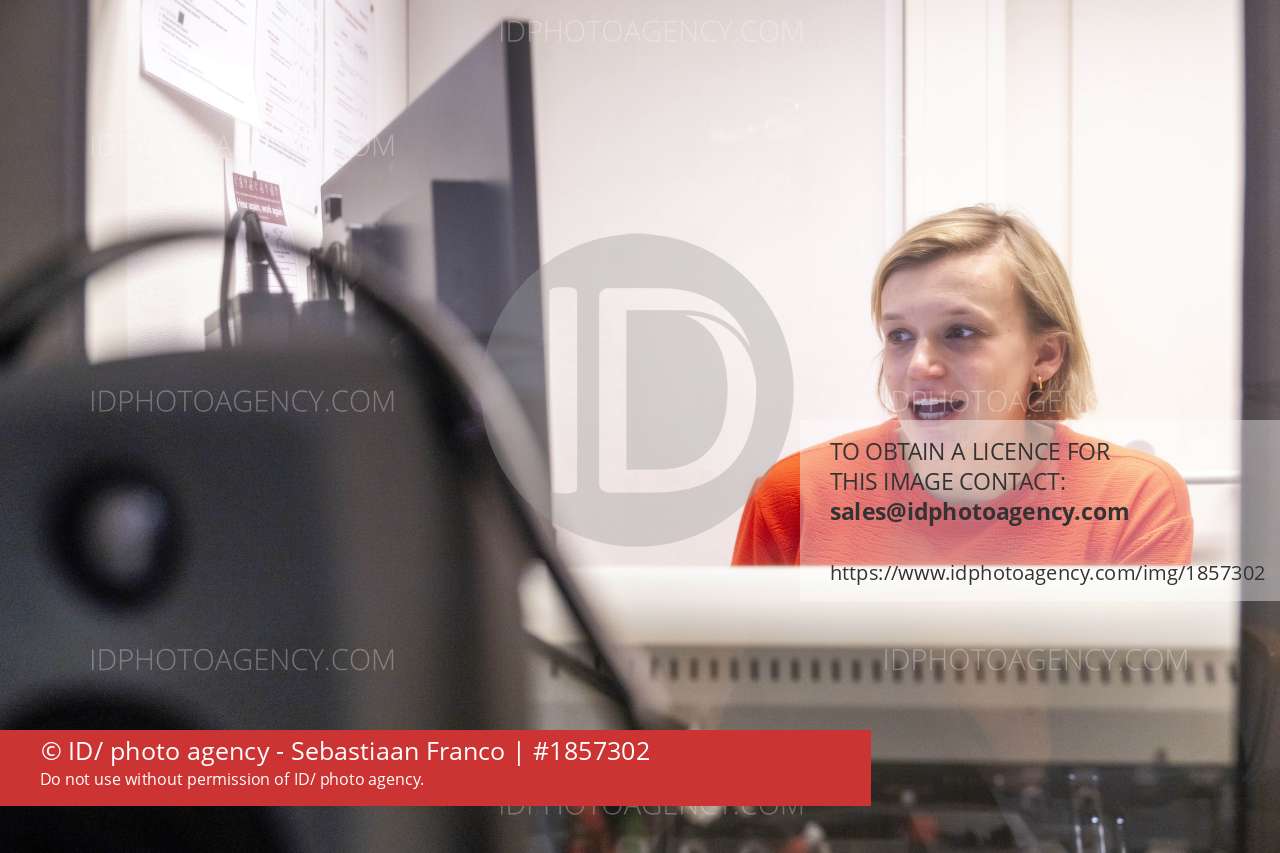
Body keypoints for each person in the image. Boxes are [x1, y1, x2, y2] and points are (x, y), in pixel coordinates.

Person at [731, 205, 1192, 565]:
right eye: (899, 336)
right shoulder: (793, 496)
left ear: (1045, 355)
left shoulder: (1132, 499)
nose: (920, 366)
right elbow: (740, 662)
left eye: (961, 332)